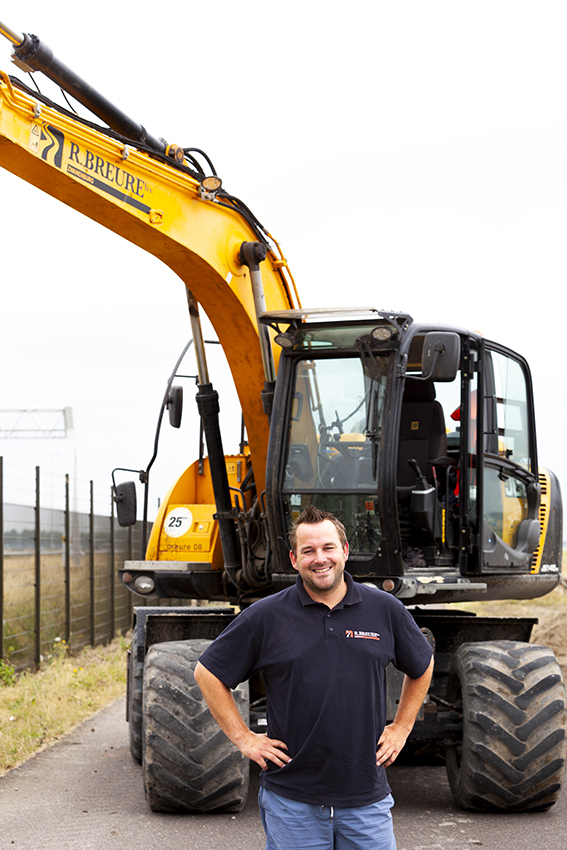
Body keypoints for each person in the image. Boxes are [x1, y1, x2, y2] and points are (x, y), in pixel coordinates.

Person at [195, 505, 434, 849]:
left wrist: (402, 726)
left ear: (345, 551)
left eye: (328, 548)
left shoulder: (384, 609)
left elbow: (422, 664)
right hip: (293, 802)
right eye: (308, 551)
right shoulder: (266, 616)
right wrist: (244, 738)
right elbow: (208, 672)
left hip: (366, 800)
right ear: (294, 559)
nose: (319, 558)